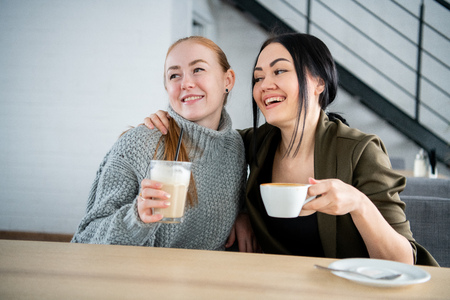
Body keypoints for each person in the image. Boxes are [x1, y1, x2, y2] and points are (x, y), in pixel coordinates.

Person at [144, 33, 438, 265]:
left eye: (279, 71)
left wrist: (358, 204)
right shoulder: (253, 143)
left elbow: (403, 261)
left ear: (318, 81)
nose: (265, 85)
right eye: (259, 77)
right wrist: (163, 123)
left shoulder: (360, 151)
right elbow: (207, 143)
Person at [72, 36, 253, 251]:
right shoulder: (140, 144)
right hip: (144, 279)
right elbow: (86, 239)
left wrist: (243, 215)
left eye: (198, 70)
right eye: (174, 75)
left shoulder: (234, 148)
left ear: (228, 80)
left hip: (207, 279)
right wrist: (135, 218)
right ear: (167, 87)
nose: (186, 83)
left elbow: (232, 205)